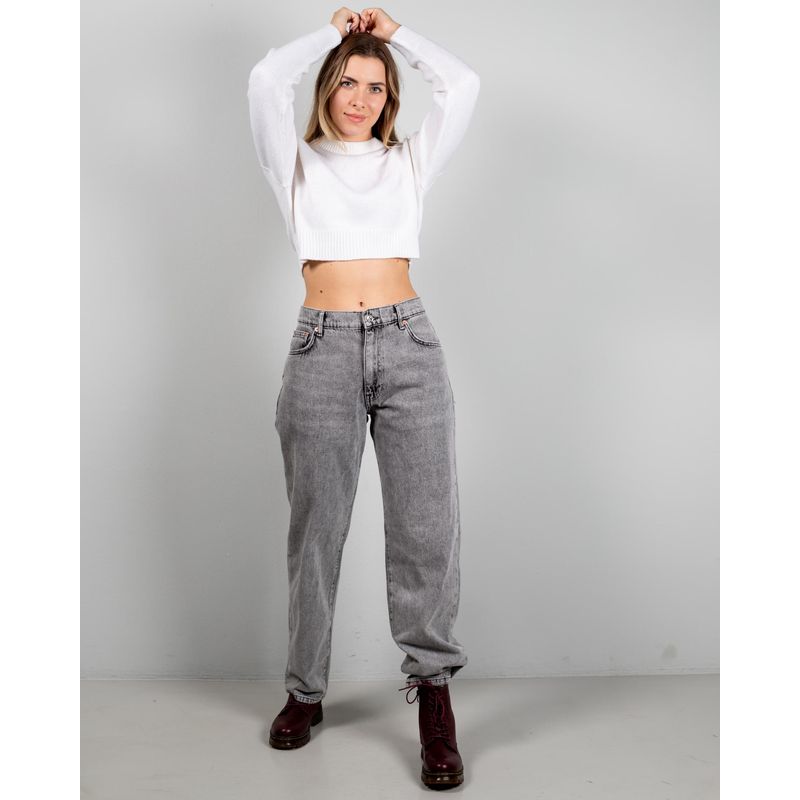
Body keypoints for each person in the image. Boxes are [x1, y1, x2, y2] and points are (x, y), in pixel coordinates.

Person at [247, 6, 480, 789]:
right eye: (348, 81)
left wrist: (394, 34)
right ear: (327, 87)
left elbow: (464, 85)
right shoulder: (295, 162)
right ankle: (304, 691)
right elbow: (265, 79)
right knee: (316, 528)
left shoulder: (408, 163)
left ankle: (434, 694)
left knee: (426, 528)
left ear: (390, 98)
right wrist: (337, 32)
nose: (360, 97)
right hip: (322, 349)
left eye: (376, 86)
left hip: (410, 345)